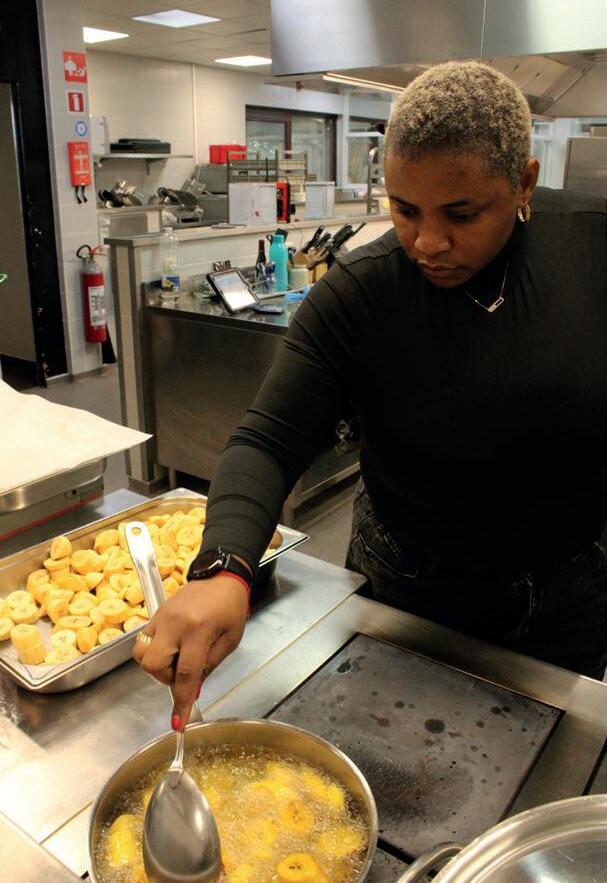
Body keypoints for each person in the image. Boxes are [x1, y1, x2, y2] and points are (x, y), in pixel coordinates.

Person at [134, 61, 607, 730]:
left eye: (461, 213)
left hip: (570, 591)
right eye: (404, 210)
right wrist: (225, 567)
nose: (428, 243)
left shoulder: (591, 248)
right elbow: (268, 439)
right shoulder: (364, 290)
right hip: (409, 585)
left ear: (523, 182)